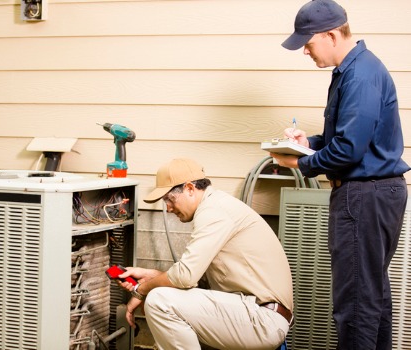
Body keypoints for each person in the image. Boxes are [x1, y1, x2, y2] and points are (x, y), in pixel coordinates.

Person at [272, 1, 410, 349]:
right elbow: (348, 138)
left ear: (332, 34)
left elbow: (349, 150)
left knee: (356, 304)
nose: (305, 49)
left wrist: (300, 163)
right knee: (371, 298)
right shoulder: (356, 70)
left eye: (308, 41)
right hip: (377, 193)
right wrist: (309, 143)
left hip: (364, 196)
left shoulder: (360, 75)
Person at [117, 158, 294, 350]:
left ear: (190, 189)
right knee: (163, 305)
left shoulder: (213, 211)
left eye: (170, 199)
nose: (167, 208)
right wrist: (153, 276)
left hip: (261, 318)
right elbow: (191, 282)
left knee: (160, 302)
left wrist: (142, 290)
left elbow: (185, 277)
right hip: (252, 314)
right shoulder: (216, 206)